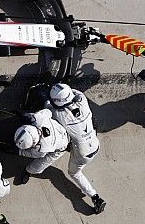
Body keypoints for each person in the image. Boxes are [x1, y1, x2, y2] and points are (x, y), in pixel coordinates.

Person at [45, 84, 106, 214]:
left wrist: (46, 98)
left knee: (74, 173)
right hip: (95, 144)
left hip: (82, 153)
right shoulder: (83, 101)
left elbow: (48, 109)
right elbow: (75, 92)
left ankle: (95, 197)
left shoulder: (60, 115)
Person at [14, 108, 69, 183]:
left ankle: (28, 172)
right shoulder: (38, 118)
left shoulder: (42, 148)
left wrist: (19, 152)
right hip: (57, 128)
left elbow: (31, 153)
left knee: (37, 167)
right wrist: (25, 115)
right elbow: (48, 112)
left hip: (61, 147)